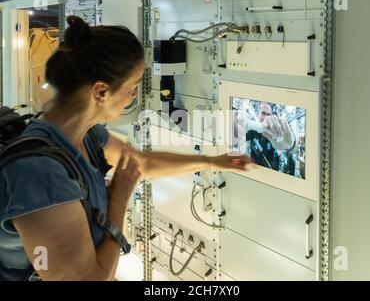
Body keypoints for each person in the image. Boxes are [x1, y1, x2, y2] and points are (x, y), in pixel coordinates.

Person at [0, 16, 253, 281]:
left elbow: (140, 164)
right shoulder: (40, 174)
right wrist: (119, 201)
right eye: (131, 88)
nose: (133, 97)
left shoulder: (87, 136)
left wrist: (212, 162)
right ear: (100, 92)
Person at [234, 101, 296, 171]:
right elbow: (236, 141)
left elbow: (291, 148)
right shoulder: (252, 131)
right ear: (258, 115)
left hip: (271, 172)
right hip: (254, 171)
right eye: (263, 113)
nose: (266, 117)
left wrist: (292, 145)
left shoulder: (274, 133)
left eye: (268, 114)